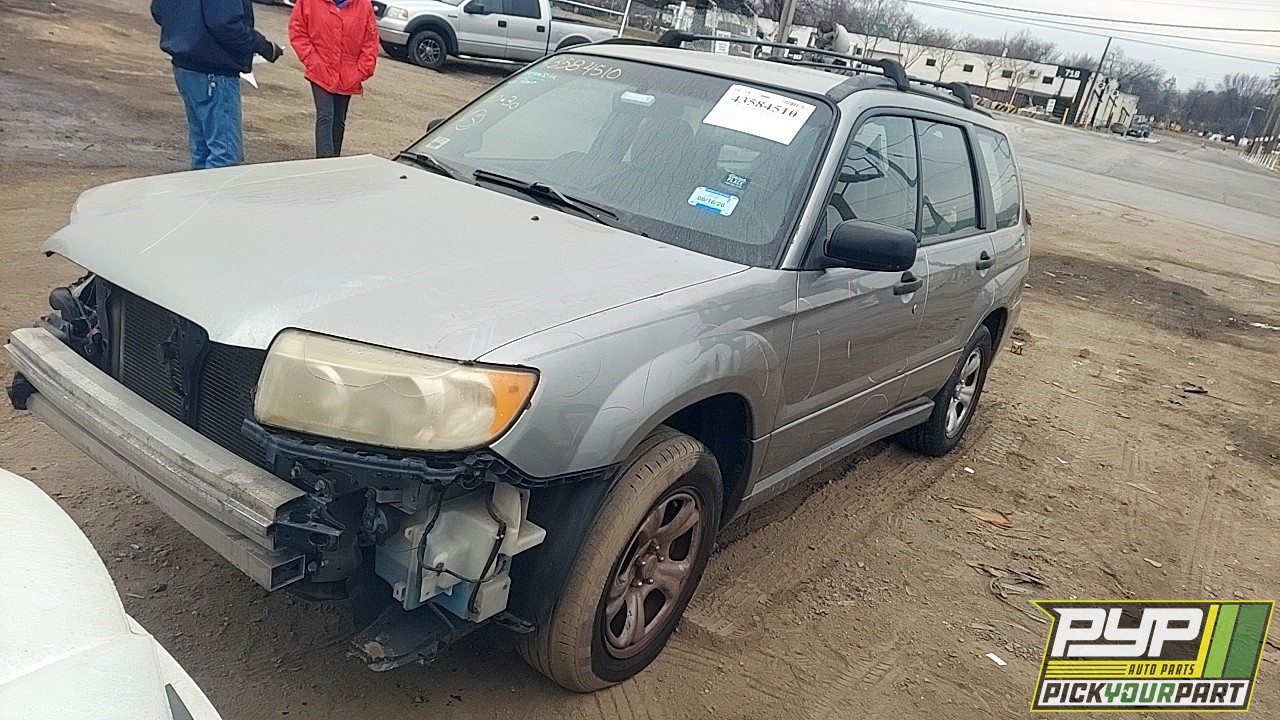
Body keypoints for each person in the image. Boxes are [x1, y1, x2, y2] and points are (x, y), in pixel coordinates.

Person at [151, 0, 284, 170]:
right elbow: (224, 25)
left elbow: (159, 9)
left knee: (202, 149)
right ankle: (212, 196)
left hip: (186, 64)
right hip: (214, 71)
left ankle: (200, 194)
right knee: (225, 156)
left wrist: (185, 31)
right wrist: (262, 46)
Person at [289, 0, 379, 159]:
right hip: (320, 70)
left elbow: (370, 40)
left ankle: (334, 162)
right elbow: (298, 29)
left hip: (348, 74)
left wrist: (361, 70)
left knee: (338, 120)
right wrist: (312, 60)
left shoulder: (363, 5)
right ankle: (324, 162)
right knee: (326, 115)